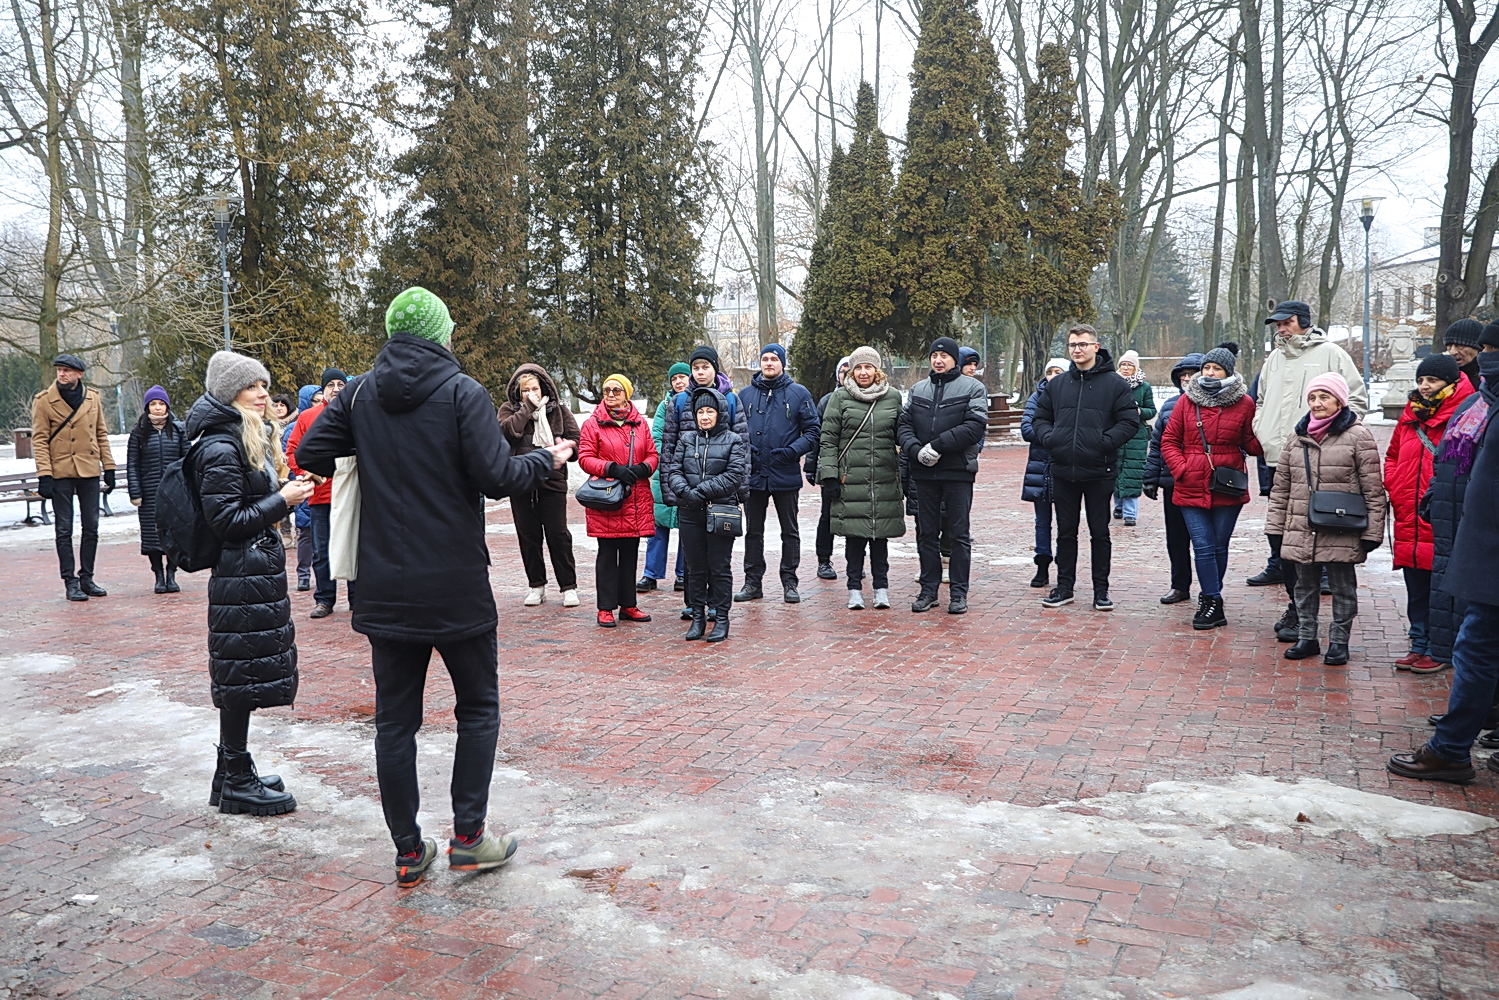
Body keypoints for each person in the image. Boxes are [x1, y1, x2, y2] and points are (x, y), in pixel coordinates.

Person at [295, 286, 572, 887]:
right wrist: (546, 462)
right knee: (477, 709)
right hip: (454, 582)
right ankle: (469, 839)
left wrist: (366, 442)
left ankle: (407, 851)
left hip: (384, 587)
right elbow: (498, 477)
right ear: (440, 334)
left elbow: (313, 448)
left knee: (395, 723)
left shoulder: (362, 392)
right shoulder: (460, 391)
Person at [188, 351, 315, 817]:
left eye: (264, 386)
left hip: (248, 572)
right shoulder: (220, 447)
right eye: (253, 388)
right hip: (239, 574)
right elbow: (227, 520)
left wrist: (283, 490)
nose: (264, 395)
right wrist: (283, 499)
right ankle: (236, 779)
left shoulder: (237, 438)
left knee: (241, 673)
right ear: (229, 393)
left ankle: (230, 773)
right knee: (240, 678)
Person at [1387, 341, 1499, 783]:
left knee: (1475, 647)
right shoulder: (1480, 404)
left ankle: (1451, 748)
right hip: (1465, 535)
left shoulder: (1479, 405)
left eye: (1488, 348)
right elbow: (1447, 468)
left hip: (1486, 547)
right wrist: (1426, 495)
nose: (1477, 356)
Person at [1247, 301, 1366, 607]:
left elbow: (1356, 399)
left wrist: (1335, 439)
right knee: (1282, 522)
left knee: (1318, 517)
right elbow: (1260, 399)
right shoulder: (1274, 358)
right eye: (1277, 324)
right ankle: (1282, 569)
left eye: (1285, 323)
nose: (1280, 328)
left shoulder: (1331, 353)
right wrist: (1262, 428)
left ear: (1302, 321)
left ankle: (1321, 575)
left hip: (1319, 456)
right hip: (1277, 455)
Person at [1265, 373, 1387, 666]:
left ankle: (1339, 642)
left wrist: (1372, 532)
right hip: (1301, 526)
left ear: (1339, 401)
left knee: (1343, 587)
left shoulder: (1358, 436)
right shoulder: (1297, 436)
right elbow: (1281, 486)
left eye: (1324, 397)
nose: (1317, 403)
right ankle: (1307, 637)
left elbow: (1373, 488)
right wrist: (1275, 527)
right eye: (1312, 398)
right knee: (1303, 587)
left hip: (1342, 528)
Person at [1030, 326, 1140, 612]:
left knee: (1099, 532)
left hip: (1099, 471)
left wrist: (1104, 443)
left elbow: (1129, 422)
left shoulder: (1115, 384)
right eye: (1072, 345)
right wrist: (1052, 439)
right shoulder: (1058, 384)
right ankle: (1064, 586)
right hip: (1063, 469)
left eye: (1082, 344)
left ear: (1096, 346)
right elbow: (1040, 418)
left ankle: (1100, 590)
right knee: (1065, 532)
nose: (1077, 350)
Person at [1384, 353, 1475, 671]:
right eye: (1421, 380)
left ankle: (1441, 650)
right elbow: (1393, 454)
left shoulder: (1467, 413)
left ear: (1450, 382)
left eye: (1432, 380)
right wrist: (1395, 485)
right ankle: (1418, 643)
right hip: (1410, 513)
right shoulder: (1410, 415)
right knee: (1416, 586)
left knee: (1444, 587)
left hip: (1446, 516)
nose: (1424, 386)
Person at [1160, 346, 1261, 630]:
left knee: (1219, 545)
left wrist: (1265, 427)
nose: (1209, 373)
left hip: (1227, 483)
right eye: (1206, 368)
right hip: (1190, 483)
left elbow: (1251, 444)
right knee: (1203, 547)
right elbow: (1168, 440)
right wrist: (1182, 469)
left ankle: (1212, 599)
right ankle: (1211, 599)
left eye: (1216, 369)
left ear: (1228, 372)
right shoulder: (1187, 400)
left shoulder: (1244, 402)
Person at [1422, 324, 1499, 677]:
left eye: (1490, 349)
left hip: (1483, 524)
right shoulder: (1475, 402)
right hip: (1451, 515)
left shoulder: (1471, 396)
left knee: (1479, 630)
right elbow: (1446, 458)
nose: (1485, 357)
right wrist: (1436, 491)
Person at [897, 336, 988, 614]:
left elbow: (974, 426)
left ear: (954, 359)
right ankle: (928, 590)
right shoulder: (918, 389)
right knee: (926, 533)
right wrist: (915, 450)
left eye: (944, 356)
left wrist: (937, 446)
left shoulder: (973, 388)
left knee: (959, 534)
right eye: (934, 356)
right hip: (923, 473)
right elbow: (904, 425)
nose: (938, 360)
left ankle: (958, 593)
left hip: (957, 471)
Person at [660, 345, 749, 622]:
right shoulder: (677, 402)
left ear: (714, 369)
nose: (700, 372)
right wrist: (674, 491)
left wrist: (740, 491)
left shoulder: (731, 399)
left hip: (721, 493)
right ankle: (694, 605)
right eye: (695, 368)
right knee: (692, 556)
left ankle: (716, 607)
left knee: (718, 558)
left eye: (705, 367)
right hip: (688, 493)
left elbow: (742, 446)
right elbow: (669, 447)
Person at [817, 346, 905, 610]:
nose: (863, 372)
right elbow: (828, 440)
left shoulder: (893, 397)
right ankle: (854, 588)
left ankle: (881, 588)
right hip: (850, 478)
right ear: (851, 371)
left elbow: (901, 436)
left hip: (883, 478)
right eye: (858, 367)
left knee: (880, 538)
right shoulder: (840, 398)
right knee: (854, 538)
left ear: (877, 370)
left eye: (868, 367)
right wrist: (830, 475)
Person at [736, 344, 821, 604]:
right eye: (765, 359)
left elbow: (813, 431)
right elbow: (734, 429)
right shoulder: (745, 395)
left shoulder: (798, 393)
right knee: (753, 531)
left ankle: (790, 582)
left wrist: (792, 451)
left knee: (790, 530)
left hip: (784, 473)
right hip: (755, 473)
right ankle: (752, 583)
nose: (769, 363)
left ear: (782, 363)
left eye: (774, 359)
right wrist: (744, 447)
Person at [32, 354, 116, 602]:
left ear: (79, 374)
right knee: (63, 530)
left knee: (91, 527)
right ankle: (70, 581)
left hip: (89, 470)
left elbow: (101, 433)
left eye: (67, 370)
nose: (62, 374)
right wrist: (44, 474)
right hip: (60, 472)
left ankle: (87, 578)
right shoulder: (44, 401)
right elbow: (39, 440)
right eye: (59, 370)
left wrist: (108, 466)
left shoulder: (92, 398)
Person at [577, 374, 659, 628]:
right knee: (607, 555)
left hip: (635, 497)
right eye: (607, 390)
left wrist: (645, 468)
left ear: (627, 393)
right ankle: (605, 607)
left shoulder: (639, 423)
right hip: (608, 498)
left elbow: (653, 453)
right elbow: (585, 457)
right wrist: (613, 468)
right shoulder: (593, 424)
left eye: (616, 390)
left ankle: (628, 604)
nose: (611, 394)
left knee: (630, 554)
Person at [498, 363, 581, 608]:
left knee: (558, 535)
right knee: (529, 537)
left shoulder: (559, 410)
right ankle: (536, 586)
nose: (531, 393)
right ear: (518, 392)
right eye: (525, 390)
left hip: (553, 481)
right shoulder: (508, 410)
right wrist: (527, 409)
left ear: (544, 387)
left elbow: (575, 438)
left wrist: (565, 447)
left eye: (535, 388)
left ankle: (568, 587)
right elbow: (507, 433)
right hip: (521, 482)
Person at [285, 367, 350, 618]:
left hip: (351, 494)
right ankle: (324, 599)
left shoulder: (356, 414)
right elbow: (293, 451)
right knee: (321, 551)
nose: (336, 389)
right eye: (331, 385)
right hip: (321, 496)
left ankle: (357, 598)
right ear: (323, 390)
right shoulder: (308, 417)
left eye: (340, 384)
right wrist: (308, 473)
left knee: (354, 547)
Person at [1142, 353, 1203, 604]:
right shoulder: (1169, 406)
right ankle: (1180, 585)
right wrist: (1151, 478)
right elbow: (1157, 445)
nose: (1186, 379)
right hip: (1173, 482)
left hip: (1205, 483)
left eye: (1191, 374)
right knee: (1176, 538)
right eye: (1182, 376)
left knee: (1205, 541)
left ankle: (1210, 588)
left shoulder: (1216, 404)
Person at [126, 385, 187, 594]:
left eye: (161, 404)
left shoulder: (178, 430)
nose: (158, 408)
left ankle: (171, 573)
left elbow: (187, 461)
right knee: (153, 536)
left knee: (174, 534)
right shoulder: (138, 432)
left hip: (174, 492)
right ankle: (158, 575)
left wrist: (187, 489)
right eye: (153, 404)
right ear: (147, 407)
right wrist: (135, 492)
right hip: (149, 492)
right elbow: (132, 464)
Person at [641, 362, 693, 596]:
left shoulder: (696, 402)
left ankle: (683, 574)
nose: (679, 382)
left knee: (687, 527)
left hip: (690, 473)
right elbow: (657, 438)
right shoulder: (665, 405)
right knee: (657, 527)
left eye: (682, 377)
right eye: (674, 379)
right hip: (665, 474)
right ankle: (650, 574)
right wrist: (668, 463)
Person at [1021, 358, 1068, 589]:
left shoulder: (1073, 397)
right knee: (1042, 521)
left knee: (1065, 521)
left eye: (1058, 371)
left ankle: (1064, 566)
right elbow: (1027, 429)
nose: (1052, 376)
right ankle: (1042, 564)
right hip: (1039, 468)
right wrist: (1054, 436)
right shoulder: (1036, 397)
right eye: (1049, 371)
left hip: (1066, 467)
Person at [808, 356, 852, 582]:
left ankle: (856, 560)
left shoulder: (866, 398)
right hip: (831, 468)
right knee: (827, 516)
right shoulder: (826, 401)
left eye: (850, 370)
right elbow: (817, 437)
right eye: (843, 371)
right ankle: (823, 560)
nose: (846, 374)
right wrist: (811, 465)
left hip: (856, 468)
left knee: (856, 515)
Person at [1112, 350, 1156, 527]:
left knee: (1132, 474)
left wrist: (1139, 411)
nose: (1126, 368)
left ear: (1135, 367)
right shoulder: (1111, 383)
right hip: (1115, 433)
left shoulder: (1144, 387)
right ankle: (1118, 507)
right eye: (1123, 364)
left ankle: (1130, 514)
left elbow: (1151, 410)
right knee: (1114, 472)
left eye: (1130, 365)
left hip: (1136, 437)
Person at [286, 385, 320, 592]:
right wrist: (302, 475)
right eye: (314, 401)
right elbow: (289, 454)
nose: (319, 404)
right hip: (304, 485)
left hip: (322, 487)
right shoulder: (295, 426)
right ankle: (304, 575)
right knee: (306, 534)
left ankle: (322, 575)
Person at [1443, 318, 1483, 392]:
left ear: (1479, 348)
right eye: (1449, 346)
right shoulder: (1443, 378)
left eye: (1460, 345)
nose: (1452, 352)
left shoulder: (1491, 381)